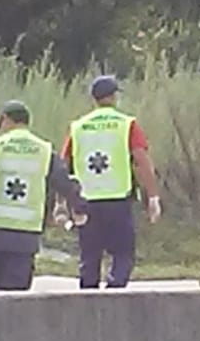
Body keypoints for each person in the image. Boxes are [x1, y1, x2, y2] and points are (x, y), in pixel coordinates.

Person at [0, 101, 87, 291]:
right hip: (26, 233)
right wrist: (80, 206)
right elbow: (63, 183)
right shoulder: (44, 150)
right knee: (17, 296)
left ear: (6, 120)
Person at [61, 75, 161, 289]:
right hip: (117, 200)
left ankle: (88, 305)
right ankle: (115, 293)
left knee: (89, 258)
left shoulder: (78, 127)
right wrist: (152, 196)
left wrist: (62, 202)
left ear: (94, 99)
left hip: (85, 201)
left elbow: (63, 165)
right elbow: (142, 161)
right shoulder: (126, 124)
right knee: (123, 254)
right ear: (114, 97)